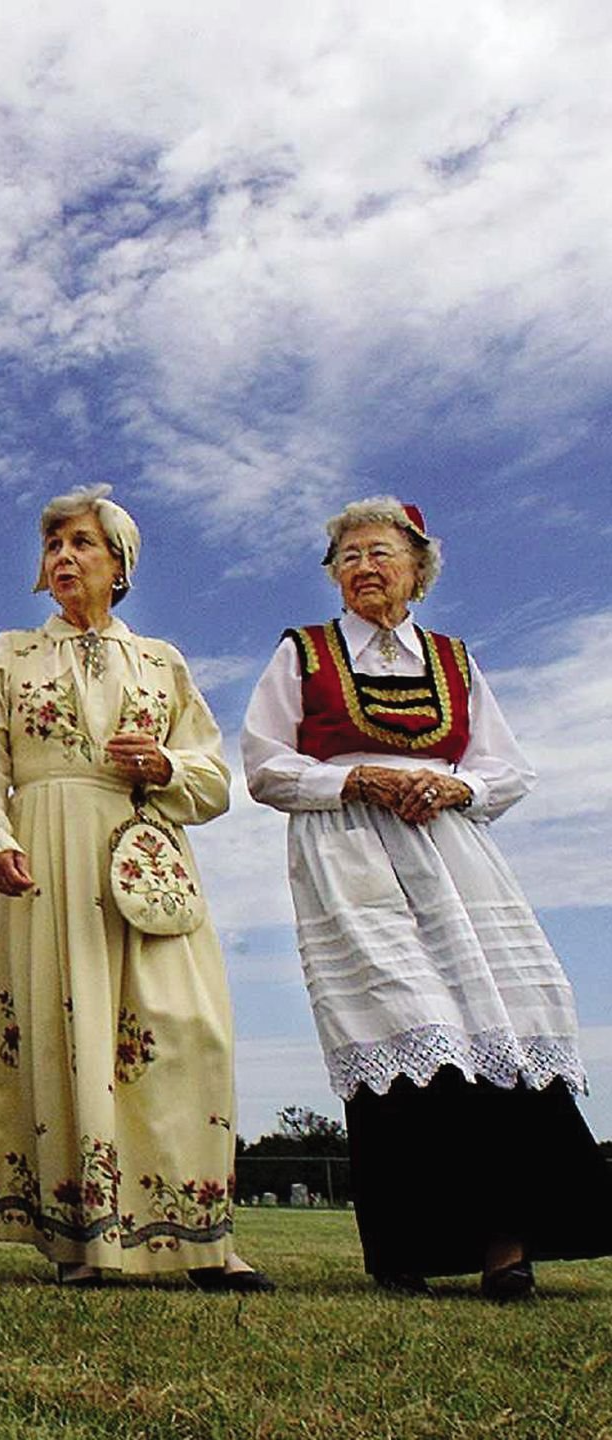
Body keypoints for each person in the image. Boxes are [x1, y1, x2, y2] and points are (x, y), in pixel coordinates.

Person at [242, 496, 611, 1299]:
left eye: (379, 553)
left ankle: (507, 1249)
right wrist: (358, 777)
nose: (363, 568)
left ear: (418, 568)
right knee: (399, 1024)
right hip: (349, 851)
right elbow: (265, 765)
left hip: (453, 856)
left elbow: (507, 767)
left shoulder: (452, 658)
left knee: (495, 1021)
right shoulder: (303, 654)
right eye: (347, 557)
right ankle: (410, 1245)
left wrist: (453, 787)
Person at [0, 485, 270, 1291]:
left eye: (82, 543)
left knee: (184, 1033)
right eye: (53, 546)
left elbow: (214, 778)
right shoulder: (6, 655)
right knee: (66, 1037)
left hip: (145, 857)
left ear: (121, 565)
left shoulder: (162, 662)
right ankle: (86, 1238)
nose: (63, 558)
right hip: (45, 858)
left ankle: (198, 1235)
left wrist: (165, 767)